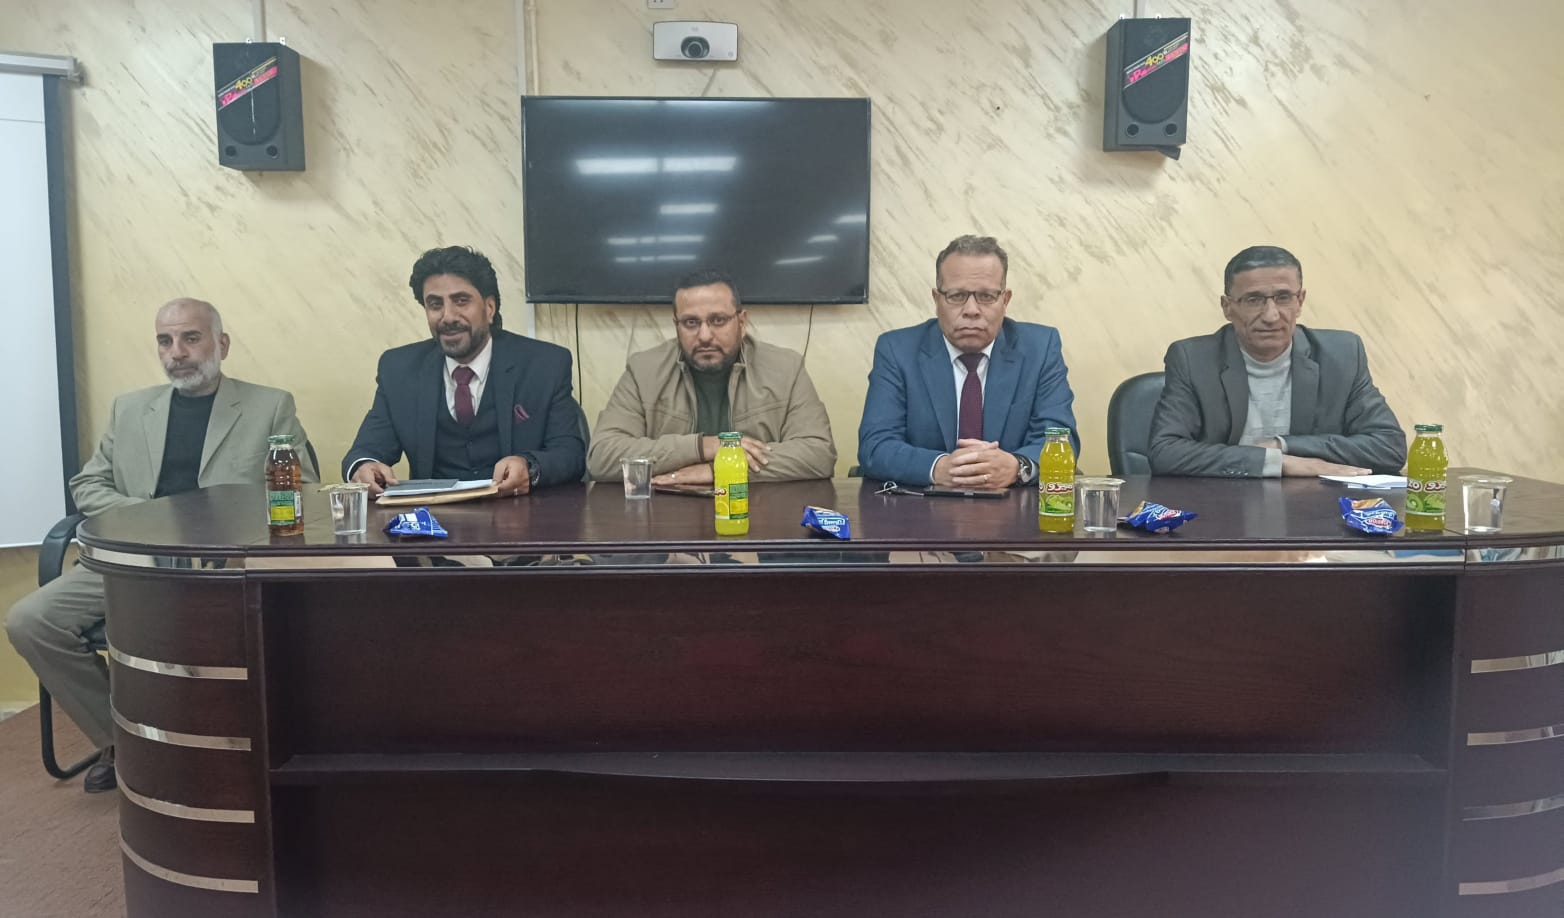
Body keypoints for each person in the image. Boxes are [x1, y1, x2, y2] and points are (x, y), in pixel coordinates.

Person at [5, 297, 317, 793]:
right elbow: (88, 483)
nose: (177, 352)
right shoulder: (130, 409)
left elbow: (300, 491)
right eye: (165, 341)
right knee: (31, 621)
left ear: (222, 344)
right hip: (129, 561)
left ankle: (239, 749)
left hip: (221, 566)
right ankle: (122, 743)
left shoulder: (269, 406)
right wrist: (149, 517)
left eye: (191, 338)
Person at [1148, 245, 1407, 477]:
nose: (1271, 316)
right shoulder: (1192, 359)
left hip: (1314, 505)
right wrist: (1278, 462)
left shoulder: (1342, 354)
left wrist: (1283, 446)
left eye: (1283, 298)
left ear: (1300, 301)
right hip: (1222, 503)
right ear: (1228, 307)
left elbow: (1389, 447)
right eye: (1253, 300)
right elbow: (1165, 452)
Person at [344, 246, 585, 494]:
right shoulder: (399, 369)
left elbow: (571, 454)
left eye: (461, 301)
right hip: (433, 514)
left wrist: (529, 467)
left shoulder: (544, 364)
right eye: (435, 304)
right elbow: (365, 451)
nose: (448, 316)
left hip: (518, 511)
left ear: (489, 308)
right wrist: (364, 467)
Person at [857, 234, 1077, 488]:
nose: (971, 310)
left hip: (1012, 505)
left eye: (986, 296)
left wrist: (1017, 466)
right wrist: (938, 467)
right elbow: (876, 445)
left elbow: (1061, 440)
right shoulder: (897, 350)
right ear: (937, 299)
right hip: (923, 507)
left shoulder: (1040, 348)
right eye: (957, 296)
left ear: (1005, 300)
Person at [587, 269, 836, 484]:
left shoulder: (786, 368)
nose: (705, 335)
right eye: (691, 322)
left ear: (742, 322)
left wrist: (716, 470)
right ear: (676, 326)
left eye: (718, 320)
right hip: (668, 514)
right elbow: (601, 457)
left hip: (758, 513)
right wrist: (703, 447)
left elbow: (819, 454)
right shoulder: (643, 371)